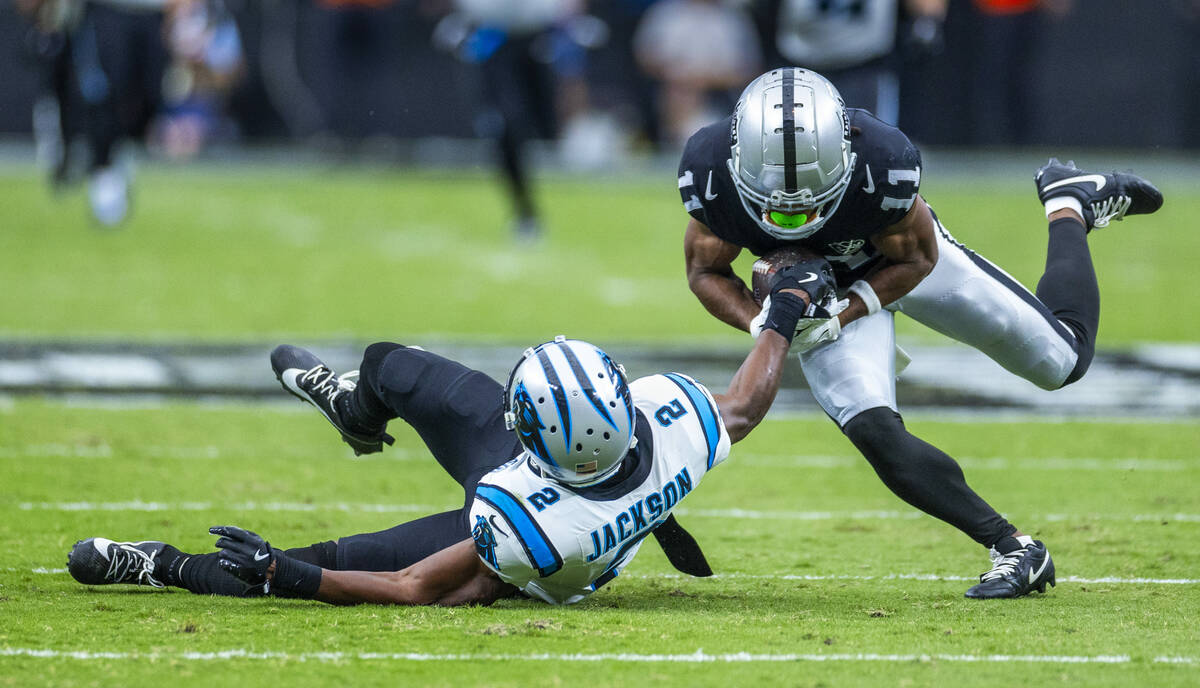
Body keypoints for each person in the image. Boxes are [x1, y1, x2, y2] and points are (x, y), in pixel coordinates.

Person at [676, 68, 1163, 598]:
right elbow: (705, 273)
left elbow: (920, 258)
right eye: (777, 203)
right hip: (810, 293)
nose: (796, 215)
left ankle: (1069, 203)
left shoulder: (883, 163)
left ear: (845, 150)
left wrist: (843, 312)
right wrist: (765, 320)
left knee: (1063, 361)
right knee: (873, 430)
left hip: (895, 267)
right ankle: (1015, 548)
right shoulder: (710, 175)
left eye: (812, 199)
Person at [65, 278, 828, 605]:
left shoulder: (531, 524)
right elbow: (746, 403)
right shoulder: (676, 423)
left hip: (539, 545)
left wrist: (281, 575)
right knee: (389, 367)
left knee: (328, 559)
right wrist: (785, 312)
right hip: (570, 484)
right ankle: (354, 410)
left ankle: (158, 566)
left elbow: (414, 588)